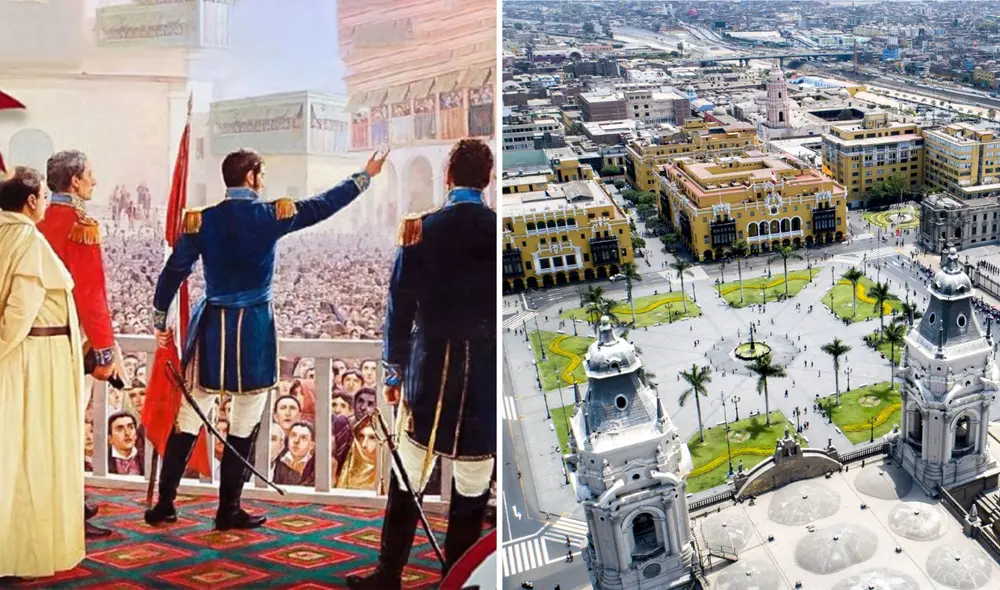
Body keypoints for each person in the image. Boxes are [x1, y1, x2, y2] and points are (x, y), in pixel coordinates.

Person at [145, 148, 387, 531]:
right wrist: (365, 175)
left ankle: (165, 503)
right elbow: (323, 205)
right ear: (253, 176)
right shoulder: (271, 214)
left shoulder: (200, 221)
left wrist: (160, 317)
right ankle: (228, 510)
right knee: (244, 422)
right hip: (254, 329)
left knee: (190, 417)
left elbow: (174, 270)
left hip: (212, 328)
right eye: (262, 173)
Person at [347, 139, 496, 589]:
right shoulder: (497, 228)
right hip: (484, 380)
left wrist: (392, 372)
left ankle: (388, 573)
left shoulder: (420, 229)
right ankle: (458, 579)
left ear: (448, 176)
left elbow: (399, 307)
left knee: (408, 478)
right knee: (471, 486)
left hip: (430, 374)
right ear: (487, 180)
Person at [0, 166, 87, 577]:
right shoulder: (26, 238)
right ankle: (22, 551)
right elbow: (19, 312)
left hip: (26, 357)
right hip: (32, 360)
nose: (47, 205)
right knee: (29, 451)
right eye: (45, 198)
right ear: (31, 201)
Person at [35, 150, 124, 539]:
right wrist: (104, 352)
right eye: (90, 175)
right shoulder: (80, 225)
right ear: (74, 181)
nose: (94, 182)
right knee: (68, 426)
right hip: (69, 341)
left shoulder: (30, 221)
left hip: (30, 339)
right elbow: (91, 295)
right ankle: (68, 508)